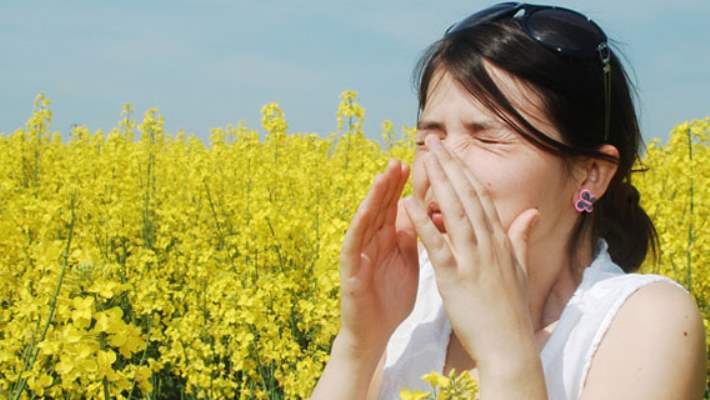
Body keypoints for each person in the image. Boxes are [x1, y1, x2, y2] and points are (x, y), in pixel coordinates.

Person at [311, 3, 707, 399]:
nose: (440, 165)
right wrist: (358, 344)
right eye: (427, 139)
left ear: (591, 174)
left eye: (486, 138)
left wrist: (505, 354)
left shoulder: (646, 321)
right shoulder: (413, 305)